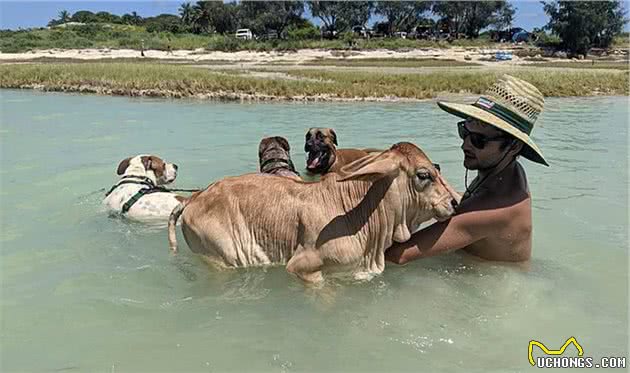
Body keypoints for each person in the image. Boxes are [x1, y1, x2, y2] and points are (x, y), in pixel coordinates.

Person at [385, 75, 548, 264]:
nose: (465, 145)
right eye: (465, 132)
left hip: (493, 285)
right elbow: (473, 205)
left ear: (514, 147)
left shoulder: (497, 209)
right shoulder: (506, 173)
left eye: (479, 140)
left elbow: (398, 256)